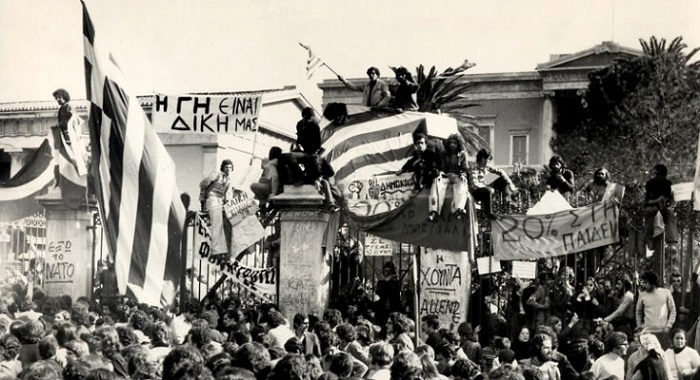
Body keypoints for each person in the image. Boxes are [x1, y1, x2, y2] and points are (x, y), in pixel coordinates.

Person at [429, 133, 471, 222]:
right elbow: (442, 168)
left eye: (455, 143)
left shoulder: (463, 154)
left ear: (458, 144)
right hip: (446, 175)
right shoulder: (443, 154)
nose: (452, 145)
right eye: (451, 143)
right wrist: (440, 173)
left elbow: (465, 169)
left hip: (457, 176)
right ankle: (434, 211)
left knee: (462, 184)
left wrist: (463, 174)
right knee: (436, 182)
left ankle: (458, 209)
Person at [199, 159, 234, 258]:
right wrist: (202, 199)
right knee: (217, 223)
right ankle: (216, 250)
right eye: (226, 167)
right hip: (212, 198)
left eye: (230, 167)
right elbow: (203, 184)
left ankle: (223, 250)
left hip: (220, 202)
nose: (228, 169)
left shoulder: (228, 180)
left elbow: (228, 196)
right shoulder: (217, 174)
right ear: (223, 168)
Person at [468, 148, 517, 217]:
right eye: (488, 159)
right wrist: (488, 187)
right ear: (482, 159)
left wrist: (511, 186)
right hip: (475, 191)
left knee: (501, 179)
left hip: (485, 185)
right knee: (487, 191)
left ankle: (505, 206)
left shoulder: (487, 168)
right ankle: (489, 213)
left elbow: (500, 171)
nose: (489, 161)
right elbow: (474, 183)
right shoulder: (473, 168)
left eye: (489, 159)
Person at [636, 270, 677, 349]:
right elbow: (638, 312)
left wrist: (669, 326)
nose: (644, 285)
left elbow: (673, 310)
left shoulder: (666, 293)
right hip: (647, 332)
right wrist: (640, 326)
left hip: (663, 332)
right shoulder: (642, 295)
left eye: (646, 282)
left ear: (652, 282)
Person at [644, 164, 679, 248]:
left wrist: (667, 202)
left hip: (664, 207)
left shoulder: (668, 184)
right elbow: (647, 201)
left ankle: (671, 241)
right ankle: (650, 239)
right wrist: (657, 200)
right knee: (649, 212)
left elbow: (671, 200)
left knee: (670, 214)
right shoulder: (650, 184)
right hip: (652, 206)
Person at [250, 146, 282, 212]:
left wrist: (273, 193)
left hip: (276, 190)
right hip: (279, 189)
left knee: (253, 185)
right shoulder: (279, 163)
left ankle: (263, 203)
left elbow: (275, 178)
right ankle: (263, 204)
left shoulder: (274, 163)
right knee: (262, 180)